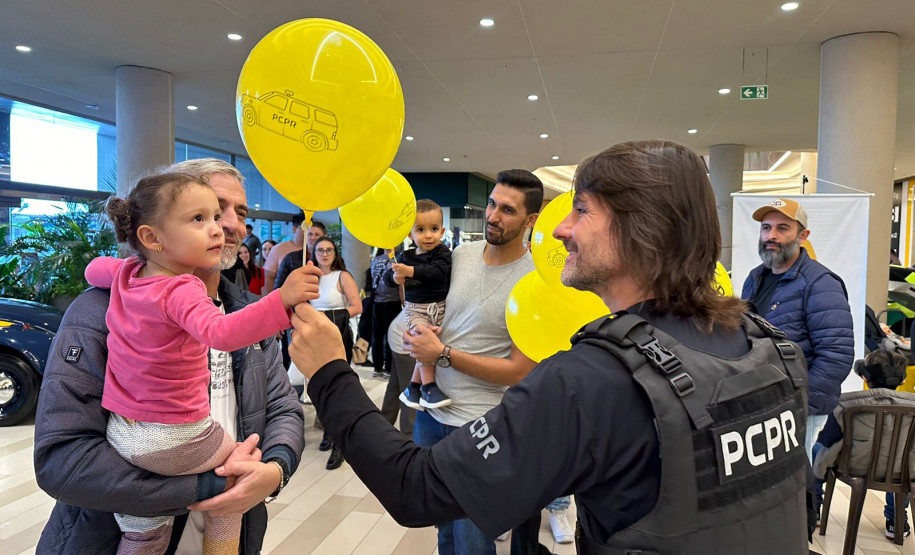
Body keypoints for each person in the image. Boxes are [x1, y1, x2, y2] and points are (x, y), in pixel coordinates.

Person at [288, 140, 810, 554]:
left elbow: (416, 488)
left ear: (639, 230)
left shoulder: (593, 380)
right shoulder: (770, 348)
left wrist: (331, 373)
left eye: (581, 210)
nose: (560, 229)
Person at [34, 158, 307, 554]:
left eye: (240, 212)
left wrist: (275, 469)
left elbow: (283, 409)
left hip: (235, 531)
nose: (229, 224)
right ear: (156, 232)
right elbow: (62, 458)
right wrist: (209, 485)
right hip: (102, 536)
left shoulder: (249, 313)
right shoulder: (100, 312)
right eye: (208, 212)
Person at [741, 197, 855, 461]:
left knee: (797, 480)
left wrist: (801, 404)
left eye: (783, 228)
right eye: (766, 228)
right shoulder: (755, 277)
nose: (771, 235)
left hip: (800, 411)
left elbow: (836, 355)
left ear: (803, 236)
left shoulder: (820, 283)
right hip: (762, 404)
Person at [811, 349, 915, 540]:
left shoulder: (846, 404)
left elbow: (827, 440)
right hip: (902, 471)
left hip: (855, 467)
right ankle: (896, 521)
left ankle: (814, 508)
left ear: (865, 378)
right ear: (902, 381)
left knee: (817, 449)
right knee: (901, 458)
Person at [386, 199, 453, 409]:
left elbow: (438, 272)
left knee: (430, 344)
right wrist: (395, 277)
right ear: (410, 234)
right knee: (424, 344)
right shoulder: (405, 256)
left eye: (434, 229)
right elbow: (388, 277)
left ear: (442, 231)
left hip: (440, 308)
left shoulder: (443, 253)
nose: (428, 235)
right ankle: (429, 387)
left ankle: (413, 387)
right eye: (421, 230)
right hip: (415, 309)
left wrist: (410, 272)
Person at [309, 235, 362, 471]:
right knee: (320, 387)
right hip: (314, 337)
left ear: (335, 253)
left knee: (338, 388)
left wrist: (329, 318)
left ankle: (340, 442)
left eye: (329, 250)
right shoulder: (310, 277)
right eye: (320, 250)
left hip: (338, 336)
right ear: (314, 253)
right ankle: (329, 430)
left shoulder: (343, 276)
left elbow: (357, 306)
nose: (324, 254)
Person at [371, 247, 402, 378]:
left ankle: (377, 367)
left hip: (376, 302)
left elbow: (372, 280)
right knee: (391, 336)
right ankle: (388, 369)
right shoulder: (397, 260)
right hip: (392, 302)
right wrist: (404, 302)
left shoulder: (375, 260)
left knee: (377, 337)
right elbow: (401, 285)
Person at [274, 220, 326, 291]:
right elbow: (278, 287)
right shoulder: (291, 258)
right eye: (310, 234)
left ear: (324, 237)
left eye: (317, 235)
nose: (313, 238)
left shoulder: (329, 259)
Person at [263, 212, 306, 294]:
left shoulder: (314, 250)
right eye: (304, 228)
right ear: (294, 229)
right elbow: (269, 278)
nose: (308, 231)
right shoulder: (278, 249)